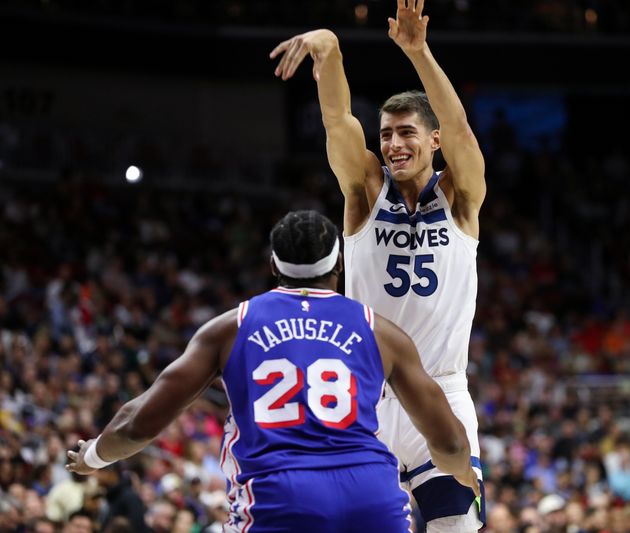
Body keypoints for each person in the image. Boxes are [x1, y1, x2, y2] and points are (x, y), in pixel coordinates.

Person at [66, 210, 478, 533]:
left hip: (279, 495)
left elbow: (139, 424)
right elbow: (449, 441)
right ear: (339, 267)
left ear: (273, 264)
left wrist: (92, 456)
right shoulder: (382, 331)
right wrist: (462, 471)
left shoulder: (229, 327)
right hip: (370, 498)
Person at [270, 1, 487, 531]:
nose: (393, 144)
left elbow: (459, 128)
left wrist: (419, 52)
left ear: (432, 141)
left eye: (407, 132)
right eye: (387, 133)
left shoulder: (461, 196)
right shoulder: (364, 191)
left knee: (456, 527)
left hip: (441, 390)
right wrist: (330, 47)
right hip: (367, 395)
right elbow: (337, 120)